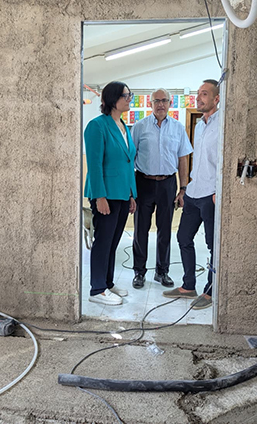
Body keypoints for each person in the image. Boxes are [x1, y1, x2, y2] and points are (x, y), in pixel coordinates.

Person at [163, 79, 220, 310]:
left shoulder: (223, 123)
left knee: (213, 245)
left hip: (212, 194)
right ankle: (189, 286)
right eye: (198, 93)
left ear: (216, 98)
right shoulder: (199, 125)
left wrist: (219, 191)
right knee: (183, 237)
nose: (199, 97)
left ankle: (210, 291)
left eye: (204, 94)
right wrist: (186, 188)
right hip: (195, 192)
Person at [130, 88, 192, 289]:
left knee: (165, 230)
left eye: (164, 100)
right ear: (150, 104)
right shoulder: (139, 127)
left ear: (170, 103)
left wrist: (183, 189)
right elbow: (130, 158)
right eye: (156, 101)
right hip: (143, 182)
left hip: (167, 184)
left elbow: (183, 159)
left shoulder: (178, 128)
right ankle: (139, 272)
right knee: (141, 230)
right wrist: (130, 189)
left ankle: (162, 271)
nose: (160, 104)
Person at [84, 81, 137, 306]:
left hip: (123, 193)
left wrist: (132, 194)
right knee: (103, 241)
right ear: (113, 99)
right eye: (126, 95)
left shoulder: (123, 126)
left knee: (114, 241)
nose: (129, 99)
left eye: (129, 95)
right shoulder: (97, 126)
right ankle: (97, 290)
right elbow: (94, 165)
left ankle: (107, 282)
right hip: (106, 194)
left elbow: (127, 162)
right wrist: (100, 197)